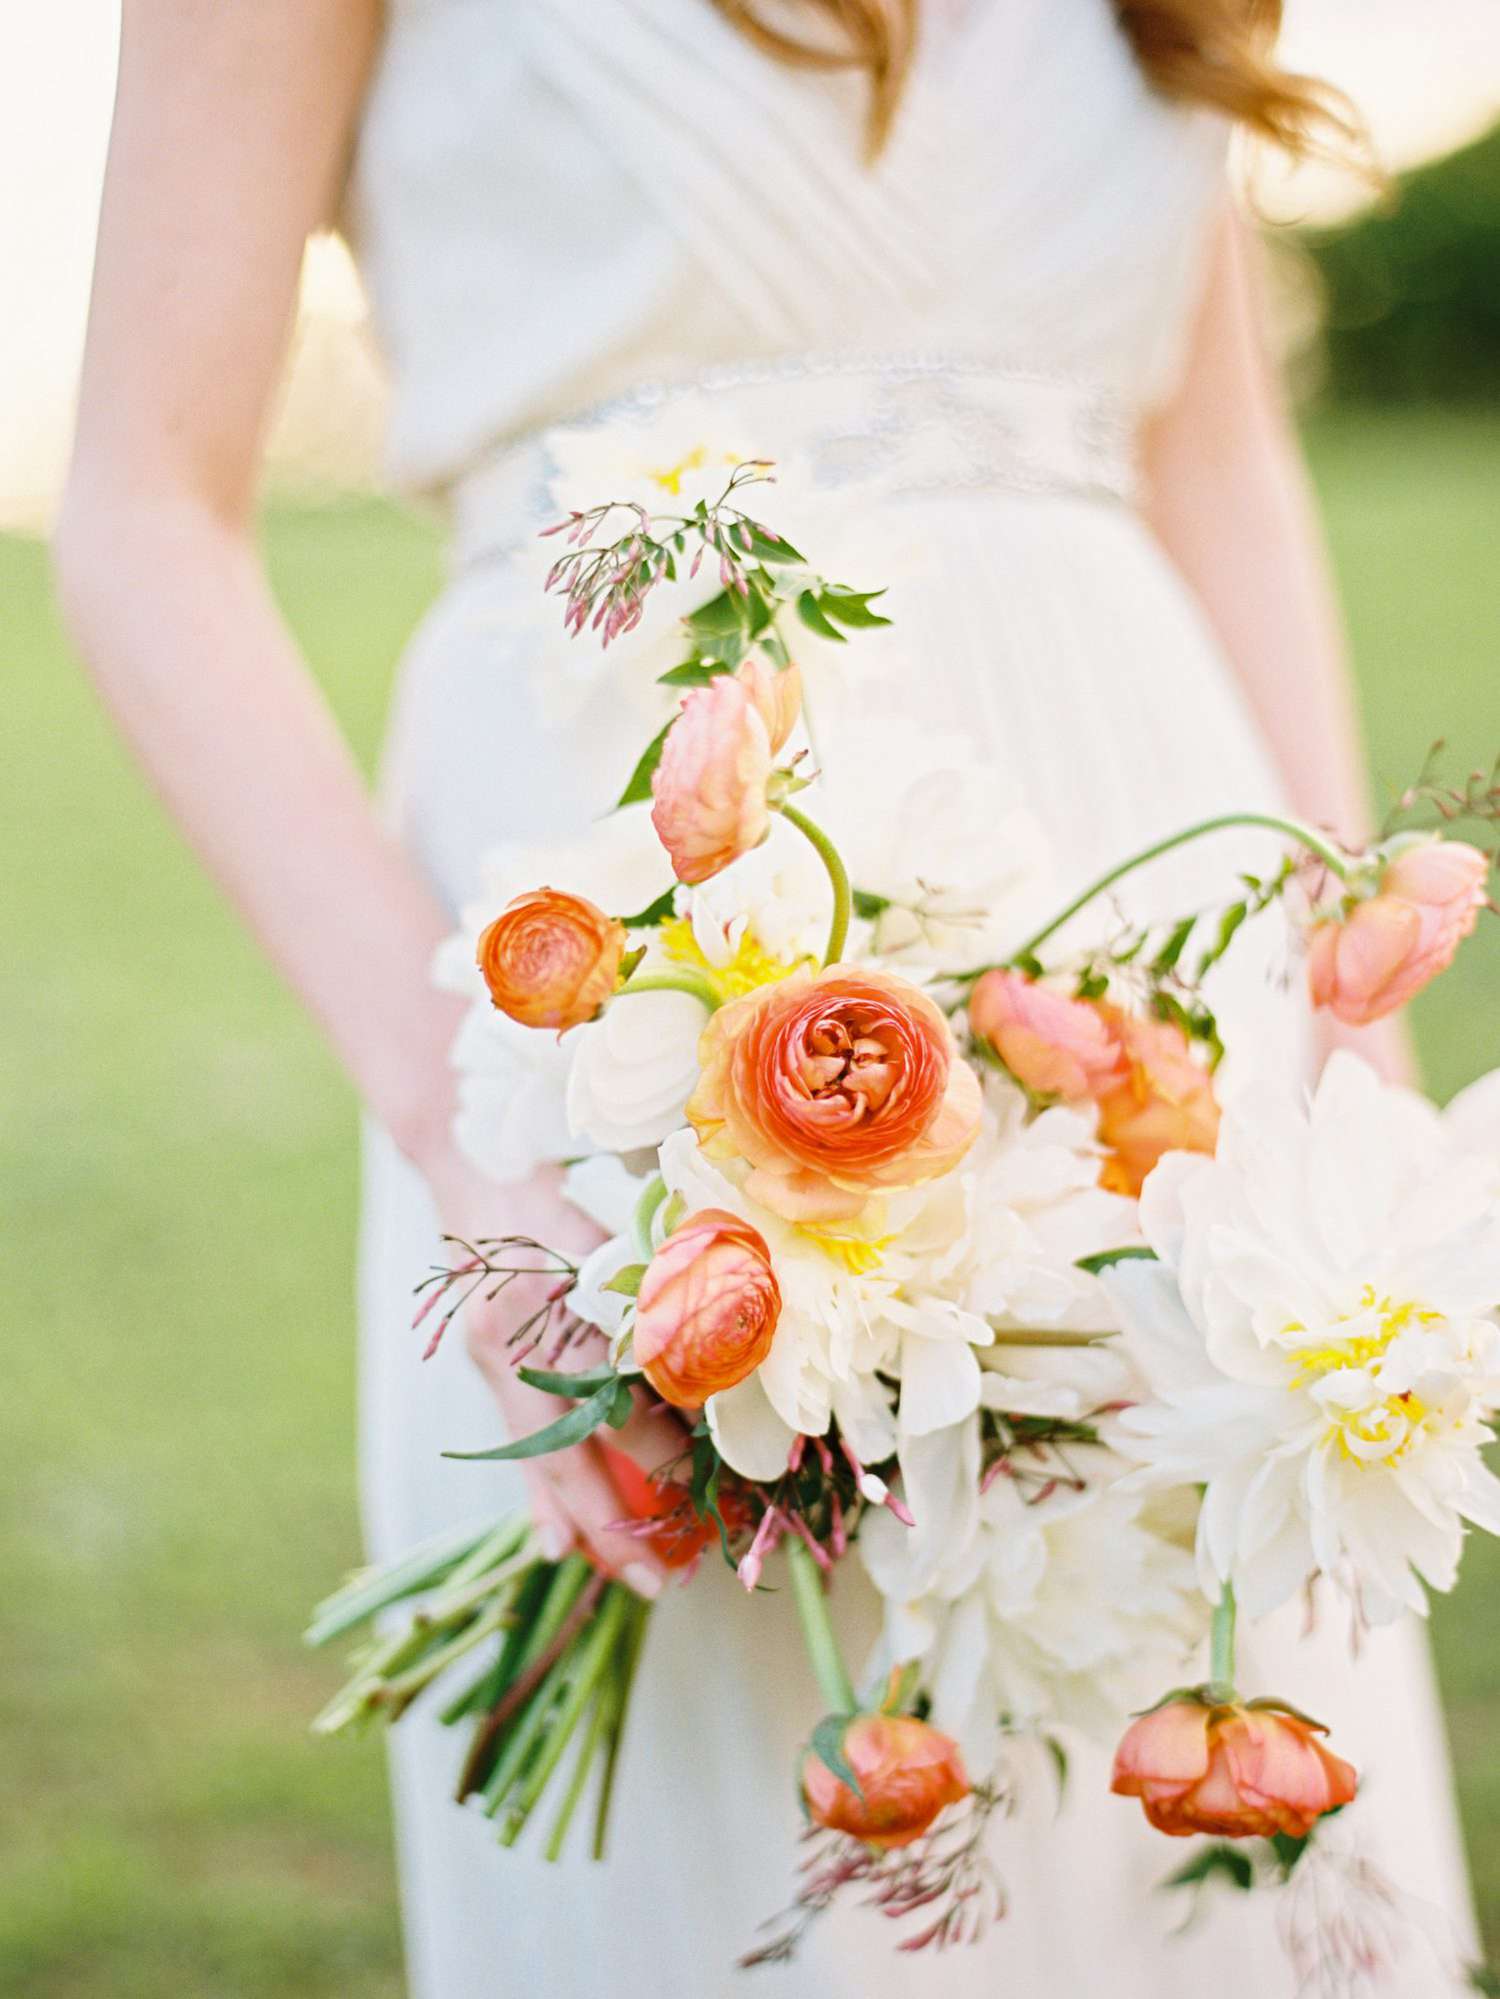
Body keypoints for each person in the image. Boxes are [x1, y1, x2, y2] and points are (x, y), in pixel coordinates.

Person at [56, 2, 1476, 1992]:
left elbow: (1214, 451)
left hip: (1172, 989)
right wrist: (485, 1160)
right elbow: (143, 511)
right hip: (634, 962)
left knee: (1207, 1839)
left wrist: (1356, 1087)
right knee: (756, 1871)